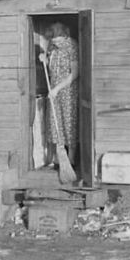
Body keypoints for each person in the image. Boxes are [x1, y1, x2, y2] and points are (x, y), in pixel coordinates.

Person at [39, 22, 79, 165]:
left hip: (68, 91)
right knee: (55, 123)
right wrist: (46, 59)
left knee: (68, 122)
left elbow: (74, 74)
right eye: (52, 39)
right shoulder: (52, 47)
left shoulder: (72, 46)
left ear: (63, 35)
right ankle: (59, 157)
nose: (54, 41)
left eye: (56, 39)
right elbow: (52, 65)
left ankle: (72, 157)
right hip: (54, 90)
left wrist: (58, 89)